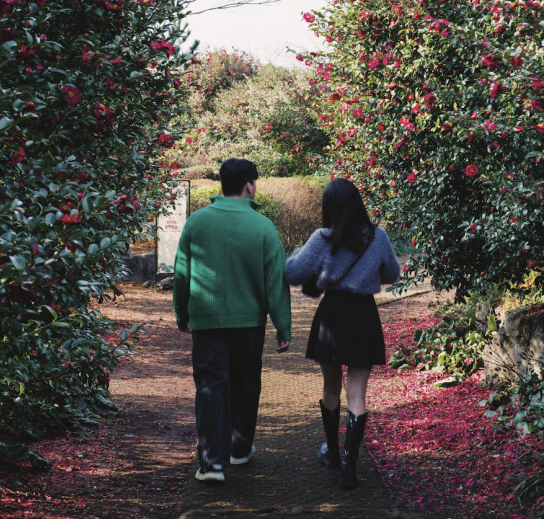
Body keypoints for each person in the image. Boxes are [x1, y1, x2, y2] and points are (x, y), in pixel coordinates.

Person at [172, 158, 291, 484]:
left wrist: (182, 314)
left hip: (207, 321)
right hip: (249, 323)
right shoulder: (263, 226)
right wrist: (283, 325)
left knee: (211, 386)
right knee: (245, 383)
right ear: (249, 184)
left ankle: (211, 464)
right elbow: (275, 281)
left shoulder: (197, 222)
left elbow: (182, 274)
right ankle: (240, 449)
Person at [283, 178, 401, 489]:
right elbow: (392, 273)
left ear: (329, 208)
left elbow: (293, 273)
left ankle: (332, 453)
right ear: (357, 203)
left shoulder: (322, 238)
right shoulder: (378, 237)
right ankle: (350, 468)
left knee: (331, 385)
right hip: (363, 314)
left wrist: (300, 254)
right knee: (358, 391)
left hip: (333, 315)